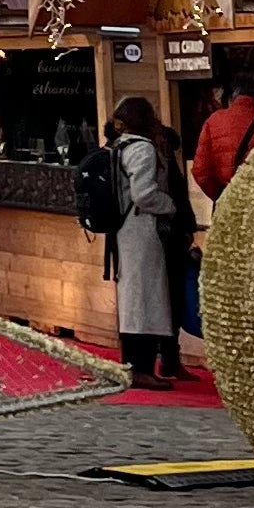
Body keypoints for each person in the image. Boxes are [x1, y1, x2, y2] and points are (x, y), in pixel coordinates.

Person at [103, 95, 190, 389]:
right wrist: (170, 205)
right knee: (145, 298)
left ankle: (134, 363)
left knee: (132, 299)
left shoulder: (116, 147)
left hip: (122, 230)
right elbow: (144, 194)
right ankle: (141, 367)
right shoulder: (142, 149)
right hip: (141, 228)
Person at [188, 77, 254, 202]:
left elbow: (201, 172)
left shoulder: (214, 121)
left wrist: (223, 196)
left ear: (232, 95)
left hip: (229, 202)